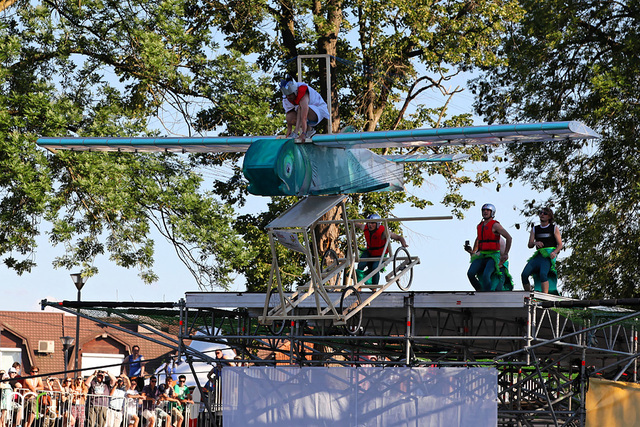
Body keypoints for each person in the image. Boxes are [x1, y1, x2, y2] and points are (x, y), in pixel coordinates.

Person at [465, 203, 513, 291]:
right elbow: (478, 240)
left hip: (493, 255)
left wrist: (506, 253)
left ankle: (487, 294)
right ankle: (480, 290)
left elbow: (509, 238)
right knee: (470, 273)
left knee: (486, 275)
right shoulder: (480, 226)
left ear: (492, 212)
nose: (485, 212)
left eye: (488, 210)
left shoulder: (495, 225)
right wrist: (472, 251)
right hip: (482, 255)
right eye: (483, 210)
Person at [354, 214, 408, 285]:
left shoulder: (383, 231)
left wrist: (403, 242)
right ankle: (359, 285)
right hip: (369, 252)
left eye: (373, 223)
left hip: (380, 254)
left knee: (375, 268)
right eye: (369, 223)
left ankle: (374, 286)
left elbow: (397, 237)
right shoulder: (365, 227)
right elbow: (357, 224)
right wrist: (350, 222)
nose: (370, 225)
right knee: (361, 265)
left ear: (377, 224)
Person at [522, 207, 563, 294]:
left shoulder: (554, 228)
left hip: (548, 256)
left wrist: (554, 252)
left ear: (549, 217)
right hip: (538, 255)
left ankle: (545, 296)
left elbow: (560, 244)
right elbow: (529, 244)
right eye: (540, 213)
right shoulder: (535, 229)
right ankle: (528, 294)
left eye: (545, 213)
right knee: (524, 274)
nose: (542, 215)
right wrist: (535, 243)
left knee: (543, 274)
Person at [280, 74, 330, 141]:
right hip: (302, 110)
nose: (289, 97)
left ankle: (305, 131)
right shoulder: (286, 98)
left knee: (300, 108)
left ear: (295, 92)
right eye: (287, 95)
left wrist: (303, 133)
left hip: (317, 110)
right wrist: (289, 129)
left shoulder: (303, 93)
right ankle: (309, 130)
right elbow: (289, 114)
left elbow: (304, 117)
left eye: (290, 95)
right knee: (290, 116)